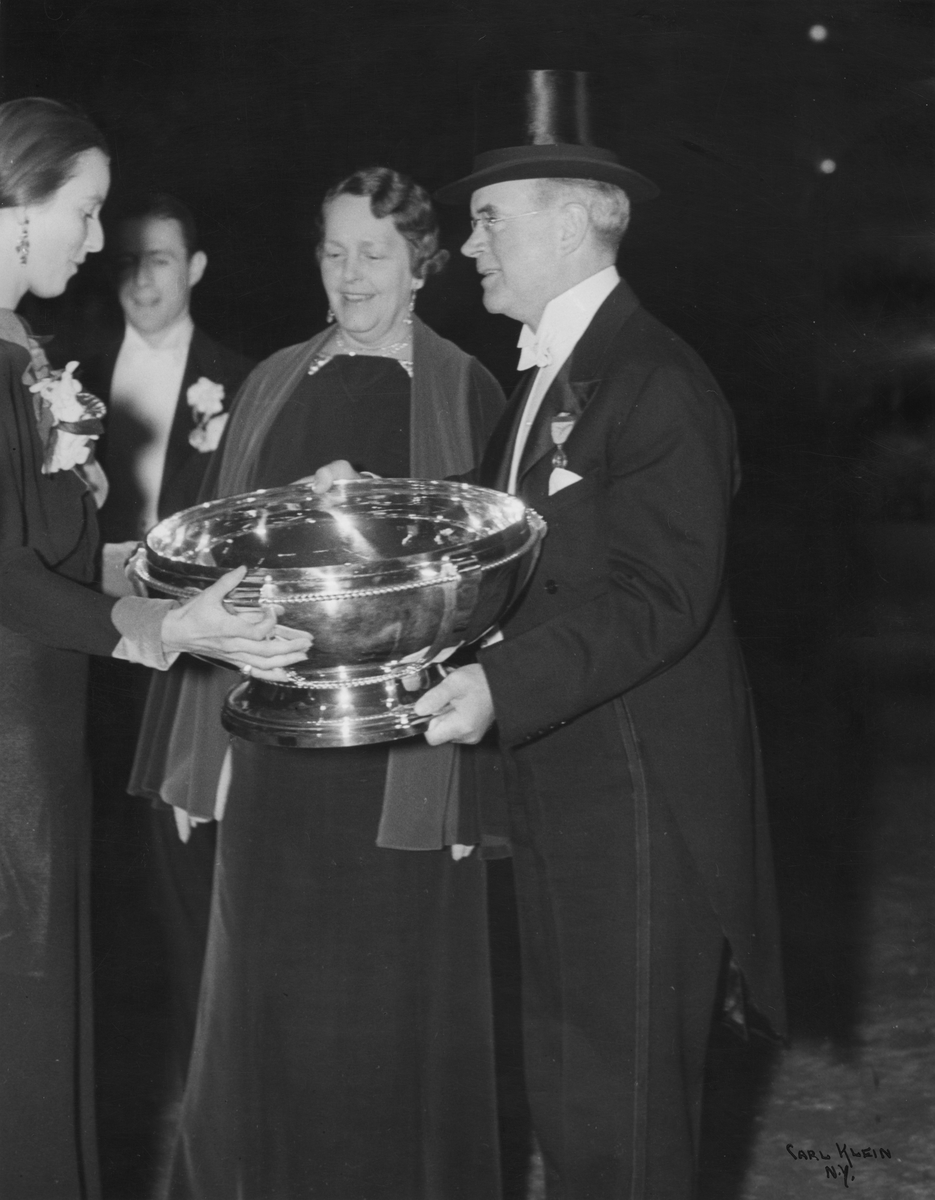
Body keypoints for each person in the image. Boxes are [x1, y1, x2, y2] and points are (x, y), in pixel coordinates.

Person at [319, 70, 786, 1197]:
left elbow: (660, 596)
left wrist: (498, 688)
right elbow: (504, 539)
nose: (469, 244)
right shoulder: (553, 372)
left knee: (623, 1108)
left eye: (490, 218)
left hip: (637, 794)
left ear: (571, 224)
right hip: (564, 779)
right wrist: (376, 507)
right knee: (574, 1094)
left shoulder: (655, 378)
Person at [132, 167, 507, 1200]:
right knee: (264, 1005)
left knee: (392, 1016)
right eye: (334, 252)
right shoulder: (271, 383)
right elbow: (210, 574)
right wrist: (193, 753)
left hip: (403, 754)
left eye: (373, 253)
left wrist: (479, 785)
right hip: (271, 756)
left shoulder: (465, 389)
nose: (351, 274)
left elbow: (491, 596)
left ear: (421, 264)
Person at [0, 96, 310, 1200]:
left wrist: (188, 581)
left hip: (37, 740)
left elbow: (48, 562)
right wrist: (166, 629)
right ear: (15, 204)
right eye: (84, 212)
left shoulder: (19, 353)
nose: (97, 242)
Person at [81, 193, 255, 1107]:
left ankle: (197, 1071)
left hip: (186, 655)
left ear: (195, 268)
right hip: (85, 647)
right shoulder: (67, 372)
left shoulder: (240, 380)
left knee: (179, 866)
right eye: (128, 260)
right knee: (98, 865)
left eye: (159, 259)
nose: (141, 278)